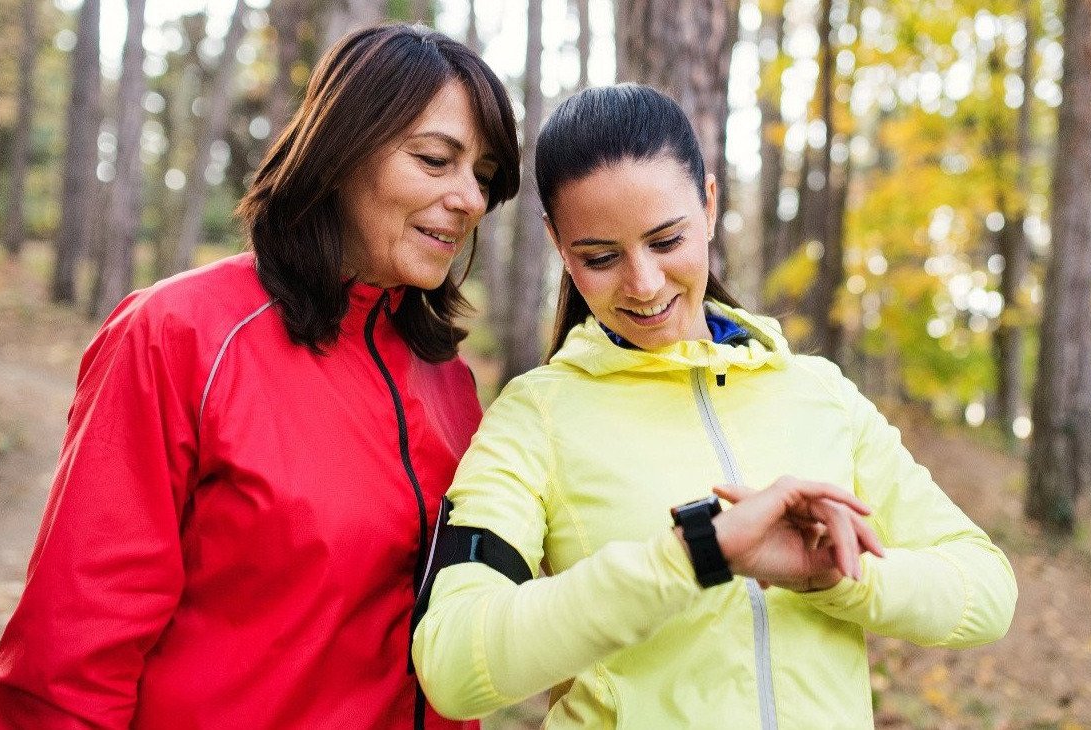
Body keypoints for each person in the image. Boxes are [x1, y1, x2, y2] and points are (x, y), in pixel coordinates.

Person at [412, 84, 1018, 727]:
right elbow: (453, 663)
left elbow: (984, 589)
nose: (643, 284)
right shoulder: (535, 415)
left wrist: (840, 578)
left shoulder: (819, 393)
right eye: (600, 257)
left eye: (667, 240)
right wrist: (694, 556)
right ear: (558, 242)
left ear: (708, 200)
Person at [0, 25, 519, 729]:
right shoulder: (179, 335)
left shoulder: (452, 384)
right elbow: (65, 661)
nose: (471, 199)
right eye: (436, 160)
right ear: (342, 151)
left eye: (483, 175)